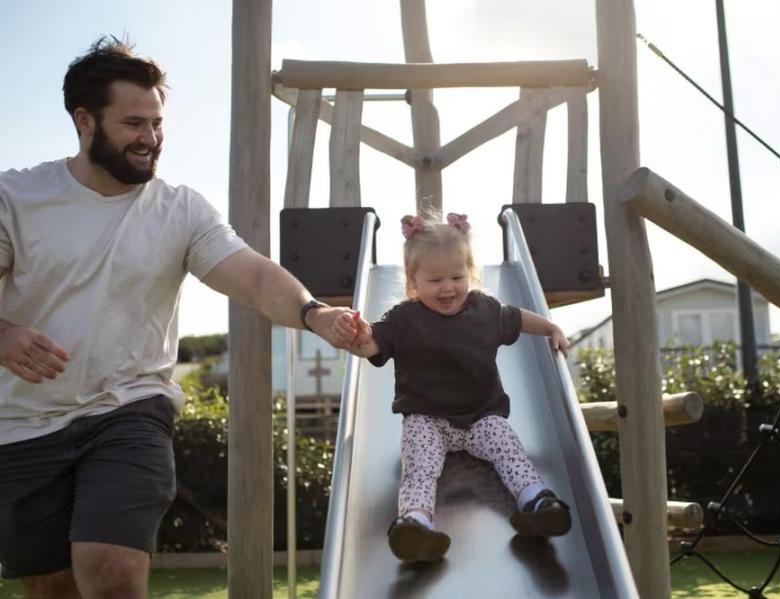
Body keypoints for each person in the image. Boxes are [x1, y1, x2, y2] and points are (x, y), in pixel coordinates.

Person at [0, 37, 354, 598]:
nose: (150, 139)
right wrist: (6, 336)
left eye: (157, 123)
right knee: (52, 589)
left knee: (112, 571)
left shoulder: (181, 209)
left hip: (128, 408)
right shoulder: (16, 197)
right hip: (22, 423)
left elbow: (254, 275)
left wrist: (313, 312)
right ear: (84, 121)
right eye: (134, 123)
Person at [333, 212, 572, 563]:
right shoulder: (403, 318)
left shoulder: (485, 309)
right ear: (413, 283)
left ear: (470, 272)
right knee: (419, 463)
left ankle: (537, 501)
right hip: (427, 420)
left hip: (480, 418)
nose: (448, 287)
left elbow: (517, 318)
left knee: (507, 444)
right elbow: (373, 344)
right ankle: (414, 523)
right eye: (435, 280)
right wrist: (356, 337)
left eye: (457, 276)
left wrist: (551, 327)